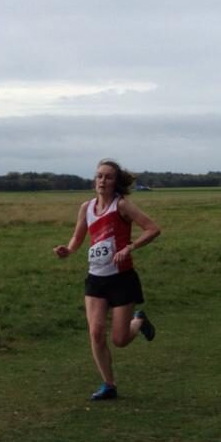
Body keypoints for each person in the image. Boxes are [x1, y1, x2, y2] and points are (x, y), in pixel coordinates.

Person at [53, 159, 161, 400]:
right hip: (96, 279)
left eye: (108, 177)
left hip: (122, 278)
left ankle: (139, 321)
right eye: (99, 176)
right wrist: (67, 250)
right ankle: (108, 385)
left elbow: (153, 229)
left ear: (115, 182)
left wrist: (130, 248)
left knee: (119, 339)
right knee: (96, 332)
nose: (102, 181)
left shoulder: (122, 205)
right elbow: (78, 237)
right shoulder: (86, 207)